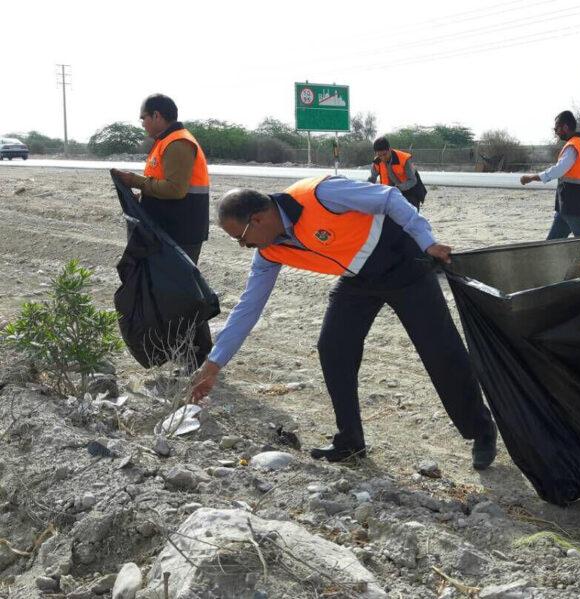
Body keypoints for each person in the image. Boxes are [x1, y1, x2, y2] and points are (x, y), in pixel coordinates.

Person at [189, 175, 497, 468]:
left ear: (257, 219)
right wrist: (213, 365)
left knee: (440, 350)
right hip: (357, 278)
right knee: (334, 349)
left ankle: (481, 430)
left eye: (241, 238)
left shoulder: (320, 194)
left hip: (403, 264)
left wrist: (426, 241)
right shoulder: (269, 252)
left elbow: (389, 197)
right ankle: (350, 442)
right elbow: (248, 308)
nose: (243, 247)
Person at [111, 93, 212, 367]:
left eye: (144, 116)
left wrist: (135, 181)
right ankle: (197, 353)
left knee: (182, 295)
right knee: (180, 294)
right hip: (170, 230)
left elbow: (175, 189)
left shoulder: (178, 143)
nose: (142, 122)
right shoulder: (164, 142)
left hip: (181, 232)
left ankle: (200, 355)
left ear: (157, 115)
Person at [520, 111, 580, 239]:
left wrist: (531, 177)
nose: (556, 132)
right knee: (552, 246)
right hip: (568, 207)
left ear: (565, 127)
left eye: (556, 128)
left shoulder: (572, 147)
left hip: (572, 207)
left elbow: (558, 170)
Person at [368, 136, 427, 209]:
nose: (383, 158)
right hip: (393, 192)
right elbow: (372, 178)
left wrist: (398, 188)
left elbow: (412, 180)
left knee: (410, 215)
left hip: (411, 191)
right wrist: (366, 189)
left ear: (389, 149)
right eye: (379, 155)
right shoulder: (376, 162)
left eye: (384, 154)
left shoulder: (404, 159)